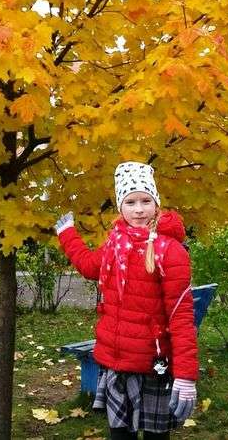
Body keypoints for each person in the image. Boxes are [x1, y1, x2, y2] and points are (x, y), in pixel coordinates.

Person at [54, 161, 199, 440]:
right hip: (116, 365)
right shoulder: (114, 243)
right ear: (121, 206)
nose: (139, 209)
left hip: (153, 367)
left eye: (146, 200)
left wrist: (186, 376)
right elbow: (88, 266)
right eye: (130, 201)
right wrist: (68, 235)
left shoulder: (170, 251)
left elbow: (180, 318)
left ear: (156, 204)